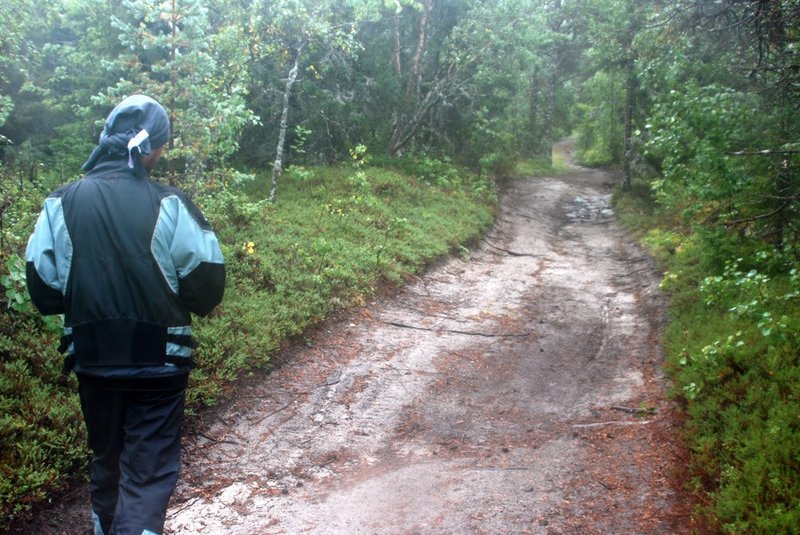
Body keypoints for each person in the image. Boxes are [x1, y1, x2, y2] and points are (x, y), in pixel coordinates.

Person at [25, 94, 225, 535]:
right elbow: (207, 287)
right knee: (148, 473)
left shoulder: (59, 203)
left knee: (107, 459)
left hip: (93, 360)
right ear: (149, 147)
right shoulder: (171, 203)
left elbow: (43, 288)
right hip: (160, 363)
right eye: (163, 146)